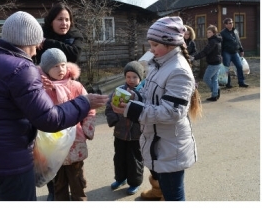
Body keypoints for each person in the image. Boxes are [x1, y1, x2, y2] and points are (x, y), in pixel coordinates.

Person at [0, 11, 109, 201]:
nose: (37, 48)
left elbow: (3, 100)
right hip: (8, 159)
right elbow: (49, 119)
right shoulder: (22, 68)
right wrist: (85, 102)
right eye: (36, 43)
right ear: (27, 41)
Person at [111, 16, 201, 202]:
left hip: (170, 145)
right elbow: (147, 92)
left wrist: (131, 109)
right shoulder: (158, 64)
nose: (151, 50)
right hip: (157, 140)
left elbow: (172, 112)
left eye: (154, 45)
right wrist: (134, 97)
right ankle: (157, 192)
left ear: (169, 44)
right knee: (164, 184)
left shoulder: (178, 71)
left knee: (174, 196)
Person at [38, 48, 96, 201]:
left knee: (77, 183)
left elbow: (89, 107)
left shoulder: (75, 87)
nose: (60, 69)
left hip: (75, 142)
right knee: (58, 185)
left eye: (63, 65)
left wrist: (87, 129)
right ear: (46, 69)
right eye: (55, 66)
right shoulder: (41, 90)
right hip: (53, 147)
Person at [105, 61, 145, 196]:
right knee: (119, 157)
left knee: (135, 159)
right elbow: (109, 107)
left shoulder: (143, 92)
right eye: (128, 77)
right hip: (120, 132)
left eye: (134, 77)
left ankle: (135, 183)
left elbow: (146, 110)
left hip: (136, 135)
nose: (131, 80)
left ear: (140, 78)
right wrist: (114, 119)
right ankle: (120, 178)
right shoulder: (119, 91)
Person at [191, 25, 223, 101]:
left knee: (206, 78)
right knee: (214, 79)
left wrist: (194, 57)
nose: (207, 34)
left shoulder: (213, 41)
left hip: (214, 63)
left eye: (209, 32)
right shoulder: (216, 40)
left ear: (214, 33)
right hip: (217, 62)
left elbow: (205, 52)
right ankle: (215, 95)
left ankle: (216, 90)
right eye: (207, 32)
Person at [220, 17, 248, 88]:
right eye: (229, 23)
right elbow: (220, 45)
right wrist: (221, 54)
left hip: (235, 52)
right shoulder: (222, 33)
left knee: (239, 66)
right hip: (226, 52)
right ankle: (228, 83)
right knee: (227, 68)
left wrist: (241, 50)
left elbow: (238, 41)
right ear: (225, 25)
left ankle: (241, 82)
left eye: (232, 23)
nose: (231, 24)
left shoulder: (235, 31)